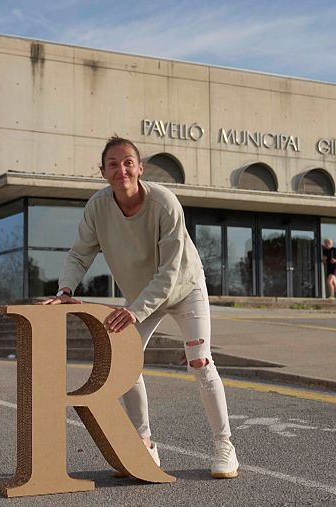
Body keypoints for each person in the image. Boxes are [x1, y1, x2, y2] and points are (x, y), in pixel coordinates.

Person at [41, 136, 239, 479]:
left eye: (128, 162)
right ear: (103, 172)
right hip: (140, 297)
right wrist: (65, 289)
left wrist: (136, 309)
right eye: (113, 164)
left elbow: (171, 270)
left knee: (200, 361)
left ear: (140, 168)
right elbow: (79, 253)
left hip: (184, 289)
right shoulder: (98, 208)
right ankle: (143, 444)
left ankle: (224, 445)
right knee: (125, 366)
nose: (122, 170)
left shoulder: (164, 203)